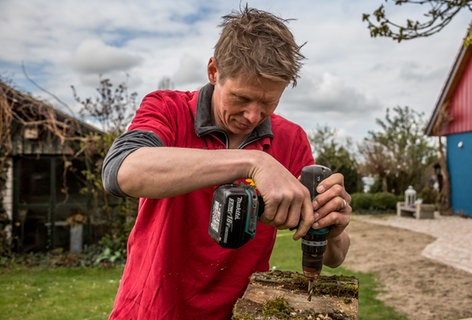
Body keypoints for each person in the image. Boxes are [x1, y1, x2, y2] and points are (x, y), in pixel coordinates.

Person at [102, 6, 351, 320]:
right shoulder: (168, 109)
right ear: (213, 71)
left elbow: (336, 257)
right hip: (152, 310)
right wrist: (252, 162)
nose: (253, 115)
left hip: (241, 313)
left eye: (268, 102)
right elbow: (121, 171)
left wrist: (332, 230)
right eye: (241, 98)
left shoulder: (291, 139)